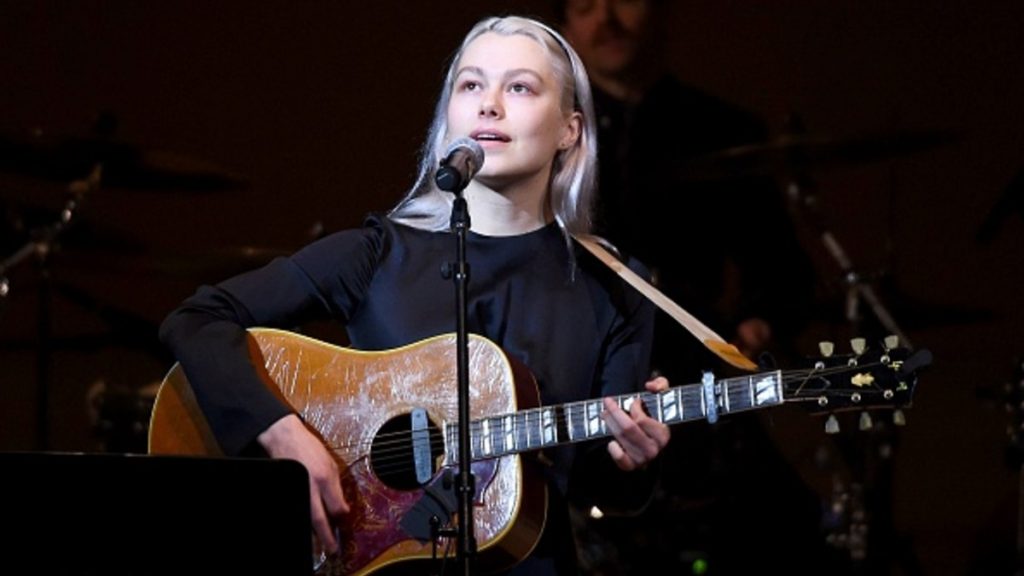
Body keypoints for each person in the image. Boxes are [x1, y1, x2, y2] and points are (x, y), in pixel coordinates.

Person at [158, 14, 670, 576]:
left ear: (570, 129)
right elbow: (198, 319)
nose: (488, 105)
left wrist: (632, 459)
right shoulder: (377, 253)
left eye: (519, 87)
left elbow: (598, 487)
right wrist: (284, 436)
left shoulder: (617, 285)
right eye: (471, 85)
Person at [555, 1, 844, 574]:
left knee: (789, 535)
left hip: (699, 378)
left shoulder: (721, 129)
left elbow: (783, 272)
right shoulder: (552, 141)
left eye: (624, 0)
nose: (605, 19)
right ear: (564, 28)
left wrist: (757, 321)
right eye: (586, 6)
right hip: (583, 388)